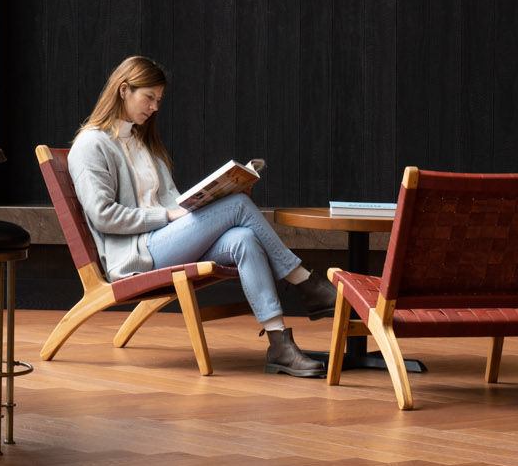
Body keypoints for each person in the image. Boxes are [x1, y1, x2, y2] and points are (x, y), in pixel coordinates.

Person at [67, 55, 337, 378]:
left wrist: (212, 197)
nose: (154, 107)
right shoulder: (90, 145)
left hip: (163, 240)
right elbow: (103, 216)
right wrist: (168, 216)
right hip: (136, 255)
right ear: (124, 90)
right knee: (236, 208)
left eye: (158, 100)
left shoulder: (141, 142)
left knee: (244, 237)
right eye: (149, 97)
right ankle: (305, 282)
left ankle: (279, 343)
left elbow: (171, 202)